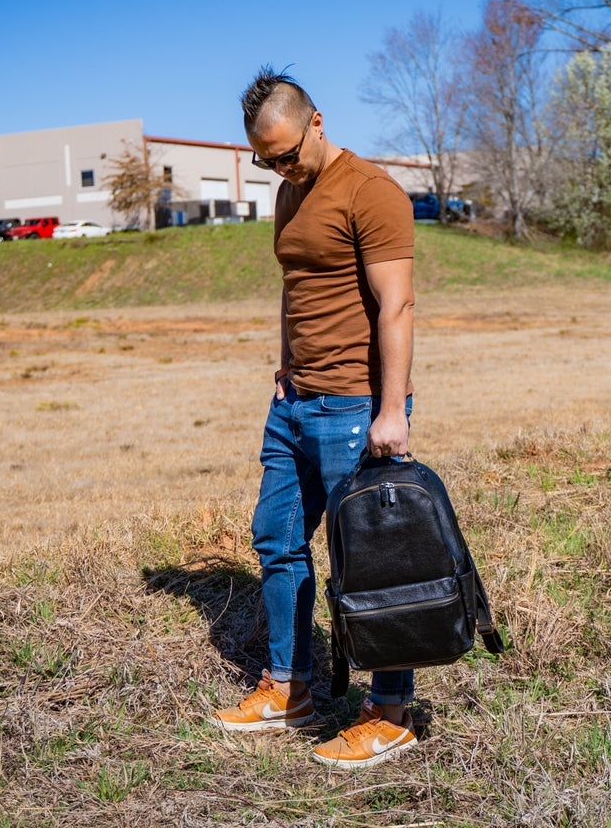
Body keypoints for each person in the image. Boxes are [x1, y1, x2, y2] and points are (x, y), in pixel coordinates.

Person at [212, 67, 417, 769]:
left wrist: (392, 410)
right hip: (295, 403)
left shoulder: (372, 193)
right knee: (276, 538)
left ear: (318, 122)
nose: (280, 167)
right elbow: (295, 286)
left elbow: (396, 306)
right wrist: (283, 365)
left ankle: (390, 712)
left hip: (356, 407)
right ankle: (290, 688)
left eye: (287, 153)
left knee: (373, 559)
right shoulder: (287, 195)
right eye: (265, 160)